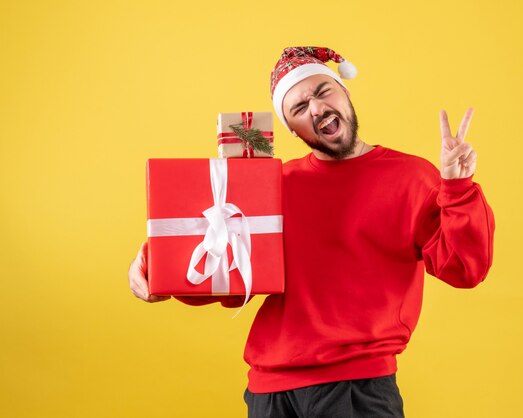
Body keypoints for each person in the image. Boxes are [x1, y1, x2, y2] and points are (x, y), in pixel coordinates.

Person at [128, 46, 495, 417]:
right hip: (269, 391)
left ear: (345, 92)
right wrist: (152, 267)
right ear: (291, 129)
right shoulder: (275, 187)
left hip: (357, 387)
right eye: (299, 109)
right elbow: (225, 268)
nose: (316, 109)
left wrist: (458, 188)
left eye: (323, 92)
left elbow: (464, 269)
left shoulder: (413, 178)